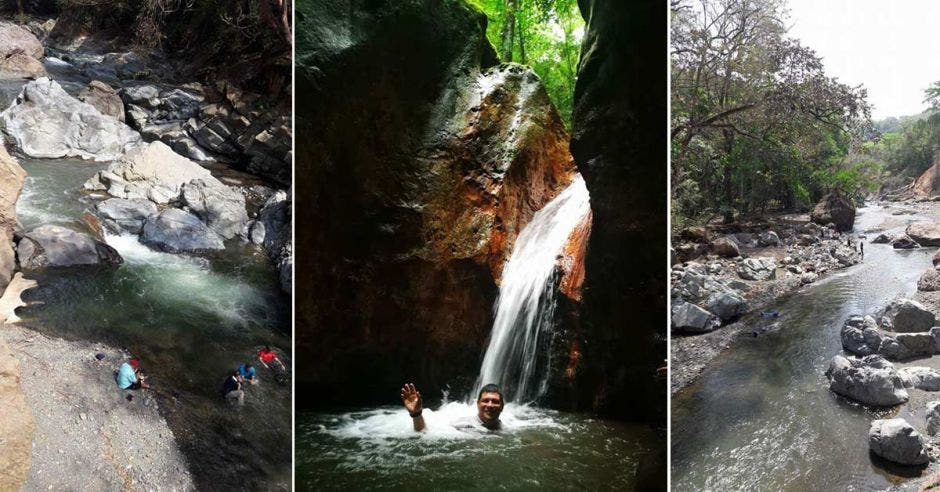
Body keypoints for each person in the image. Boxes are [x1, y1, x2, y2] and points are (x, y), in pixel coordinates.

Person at [400, 382, 504, 432]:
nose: (490, 405)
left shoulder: (508, 428)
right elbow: (424, 433)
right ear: (477, 404)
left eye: (495, 402)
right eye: (485, 401)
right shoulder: (463, 425)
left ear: (502, 406)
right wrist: (416, 414)